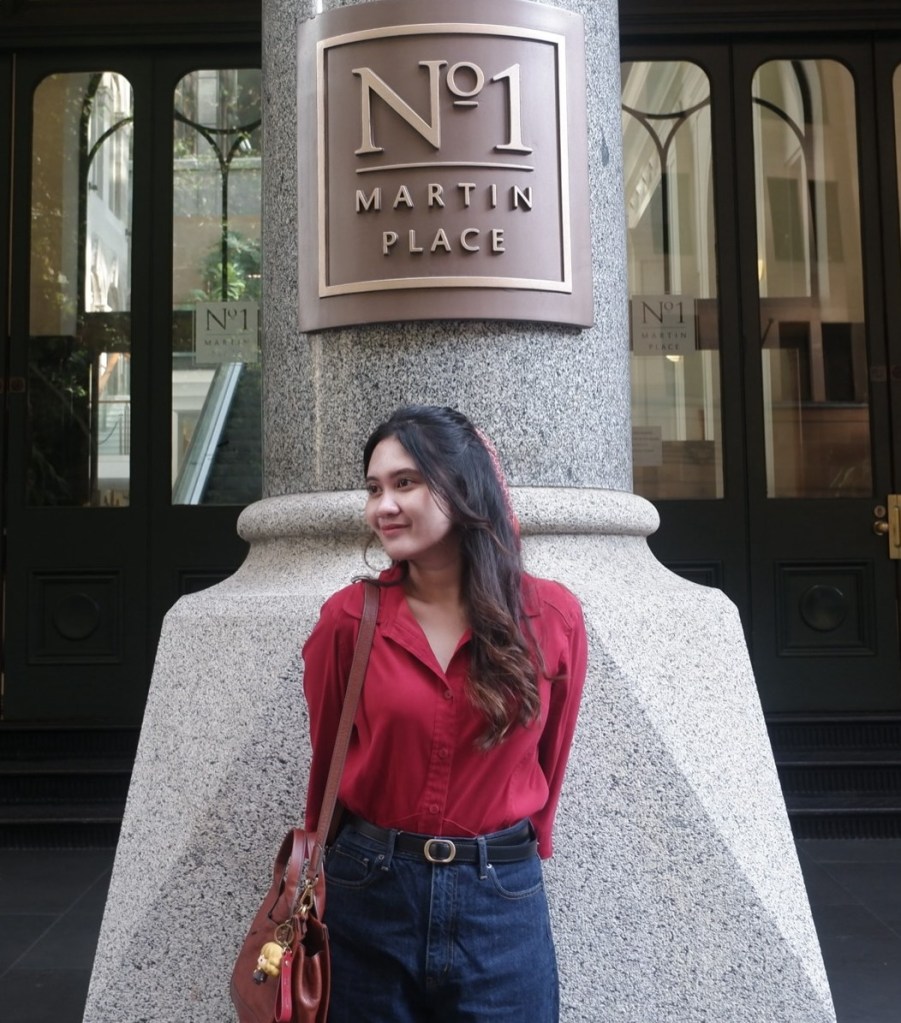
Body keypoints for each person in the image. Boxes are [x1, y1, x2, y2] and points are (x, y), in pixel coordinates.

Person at [302, 405, 587, 1023]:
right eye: (374, 488)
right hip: (368, 892)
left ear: (463, 485)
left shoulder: (552, 617)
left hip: (501, 898)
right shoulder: (348, 620)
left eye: (405, 482)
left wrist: (519, 850)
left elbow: (551, 758)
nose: (383, 506)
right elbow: (327, 764)